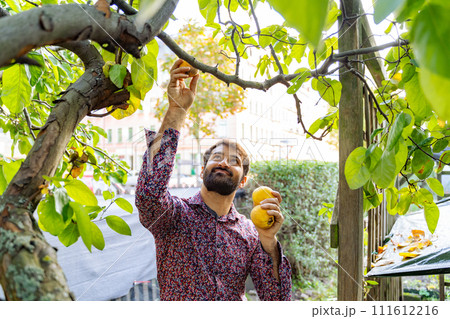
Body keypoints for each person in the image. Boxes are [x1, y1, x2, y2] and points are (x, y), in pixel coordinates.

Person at [135, 59, 292, 301]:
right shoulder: (174, 216)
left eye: (234, 161)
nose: (224, 162)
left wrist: (268, 240)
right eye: (217, 157)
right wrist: (177, 109)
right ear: (202, 171)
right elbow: (148, 194)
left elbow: (277, 299)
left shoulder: (251, 234)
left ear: (243, 182)